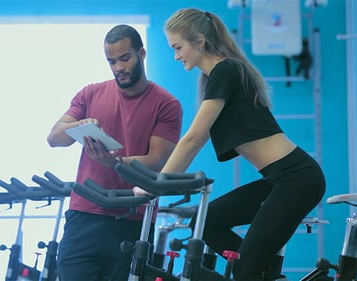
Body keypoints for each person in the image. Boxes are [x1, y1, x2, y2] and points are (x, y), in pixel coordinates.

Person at [134, 8, 326, 281]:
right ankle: (261, 272)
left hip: (297, 178)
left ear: (199, 40)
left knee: (245, 269)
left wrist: (157, 184)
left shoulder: (225, 71)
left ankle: (254, 270)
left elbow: (193, 138)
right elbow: (195, 140)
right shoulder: (217, 76)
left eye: (178, 47)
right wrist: (161, 183)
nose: (176, 56)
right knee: (207, 222)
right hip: (278, 179)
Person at [47, 24, 183, 281]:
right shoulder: (90, 94)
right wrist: (80, 125)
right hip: (83, 215)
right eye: (111, 61)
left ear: (141, 54)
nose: (118, 67)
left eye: (125, 58)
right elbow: (54, 138)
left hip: (133, 219)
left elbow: (157, 161)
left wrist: (114, 163)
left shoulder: (167, 104)